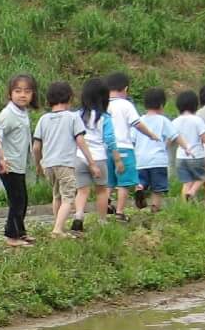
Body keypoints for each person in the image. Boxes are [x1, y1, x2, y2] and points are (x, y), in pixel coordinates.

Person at [33, 81, 85, 236]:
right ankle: (57, 230)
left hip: (48, 164)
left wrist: (38, 164)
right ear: (70, 98)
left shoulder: (43, 119)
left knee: (57, 196)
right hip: (65, 163)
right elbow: (80, 140)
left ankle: (58, 225)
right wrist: (91, 161)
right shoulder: (73, 117)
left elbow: (36, 147)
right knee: (69, 197)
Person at [102, 72, 152, 222]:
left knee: (108, 183)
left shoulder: (103, 105)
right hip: (123, 148)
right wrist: (151, 135)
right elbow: (137, 123)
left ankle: (104, 209)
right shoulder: (125, 104)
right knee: (124, 183)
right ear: (125, 89)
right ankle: (120, 212)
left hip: (105, 149)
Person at [0, 74, 37, 246]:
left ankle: (19, 232)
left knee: (22, 199)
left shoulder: (22, 112)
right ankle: (11, 236)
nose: (22, 95)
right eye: (18, 91)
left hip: (19, 164)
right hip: (9, 164)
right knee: (17, 200)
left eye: (27, 91)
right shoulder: (8, 113)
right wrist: (1, 159)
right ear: (10, 93)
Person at [75, 77, 111, 226]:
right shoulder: (105, 118)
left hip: (79, 157)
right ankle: (102, 220)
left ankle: (78, 216)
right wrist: (116, 157)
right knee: (101, 191)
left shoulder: (77, 115)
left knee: (82, 191)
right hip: (99, 158)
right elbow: (110, 139)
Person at [170, 90, 205, 202]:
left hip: (180, 157)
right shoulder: (197, 120)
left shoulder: (175, 121)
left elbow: (170, 138)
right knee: (201, 177)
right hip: (196, 155)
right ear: (195, 105)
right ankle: (192, 192)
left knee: (186, 182)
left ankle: (185, 206)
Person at [134, 88, 173, 214]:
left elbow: (132, 140)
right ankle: (155, 209)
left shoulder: (139, 121)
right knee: (157, 188)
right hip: (158, 160)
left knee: (142, 181)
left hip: (140, 159)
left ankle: (139, 188)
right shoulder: (163, 120)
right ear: (162, 105)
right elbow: (173, 136)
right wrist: (165, 146)